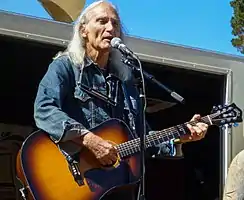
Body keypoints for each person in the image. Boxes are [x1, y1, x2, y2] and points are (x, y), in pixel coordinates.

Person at [34, 0, 209, 199]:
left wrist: (181, 136)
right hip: (75, 180)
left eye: (115, 24)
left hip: (115, 187)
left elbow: (144, 138)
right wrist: (90, 140)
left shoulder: (126, 83)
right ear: (83, 30)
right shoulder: (65, 66)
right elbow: (44, 109)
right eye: (102, 21)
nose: (110, 28)